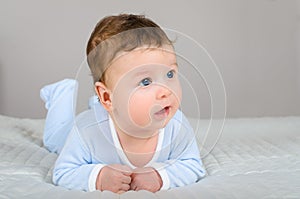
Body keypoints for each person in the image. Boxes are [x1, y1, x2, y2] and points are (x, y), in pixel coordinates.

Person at [40, 14, 206, 193]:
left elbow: (192, 165)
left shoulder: (177, 126)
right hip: (87, 122)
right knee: (55, 141)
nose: (166, 90)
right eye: (145, 82)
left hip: (111, 107)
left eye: (170, 74)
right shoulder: (87, 131)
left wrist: (160, 176)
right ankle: (61, 93)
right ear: (107, 98)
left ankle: (96, 103)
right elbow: (64, 172)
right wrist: (98, 177)